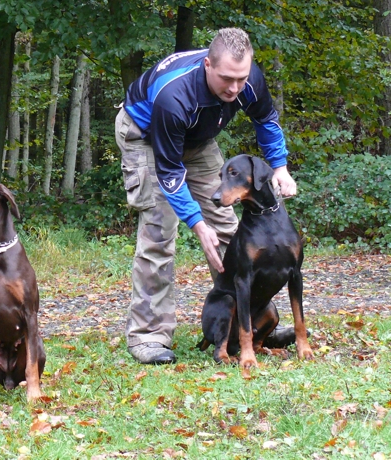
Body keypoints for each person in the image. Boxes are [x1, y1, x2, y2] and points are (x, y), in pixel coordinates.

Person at [116, 28, 298, 365]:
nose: (235, 88)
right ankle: (149, 338)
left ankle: (253, 325)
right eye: (227, 79)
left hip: (198, 140)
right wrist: (197, 225)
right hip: (145, 136)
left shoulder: (248, 79)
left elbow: (266, 119)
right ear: (207, 66)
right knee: (159, 235)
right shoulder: (175, 96)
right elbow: (169, 172)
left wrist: (280, 167)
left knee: (233, 234)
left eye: (241, 79)